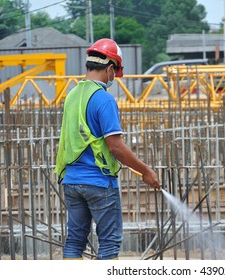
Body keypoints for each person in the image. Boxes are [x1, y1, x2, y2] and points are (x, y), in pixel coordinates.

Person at [55, 38, 160, 260]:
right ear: (110, 68)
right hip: (99, 182)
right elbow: (116, 147)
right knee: (109, 244)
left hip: (72, 181)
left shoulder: (72, 95)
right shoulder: (104, 99)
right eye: (116, 71)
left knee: (74, 241)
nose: (115, 77)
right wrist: (146, 171)